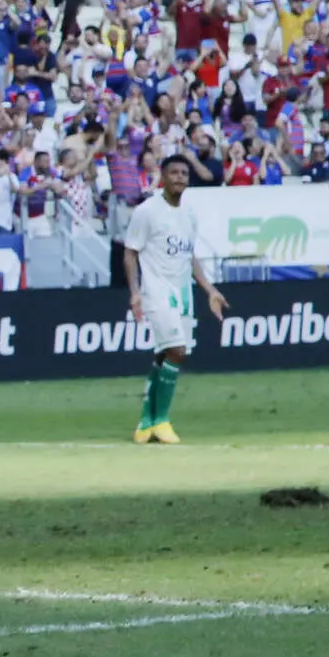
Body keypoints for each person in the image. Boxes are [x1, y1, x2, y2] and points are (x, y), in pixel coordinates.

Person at [124, 155, 228, 444]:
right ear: (163, 176)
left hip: (183, 293)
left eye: (184, 173)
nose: (180, 177)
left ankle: (146, 422)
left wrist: (210, 290)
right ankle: (162, 419)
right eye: (174, 172)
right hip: (157, 290)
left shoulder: (189, 215)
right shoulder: (147, 211)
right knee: (177, 351)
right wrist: (135, 292)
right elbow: (130, 252)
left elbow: (188, 255)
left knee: (164, 353)